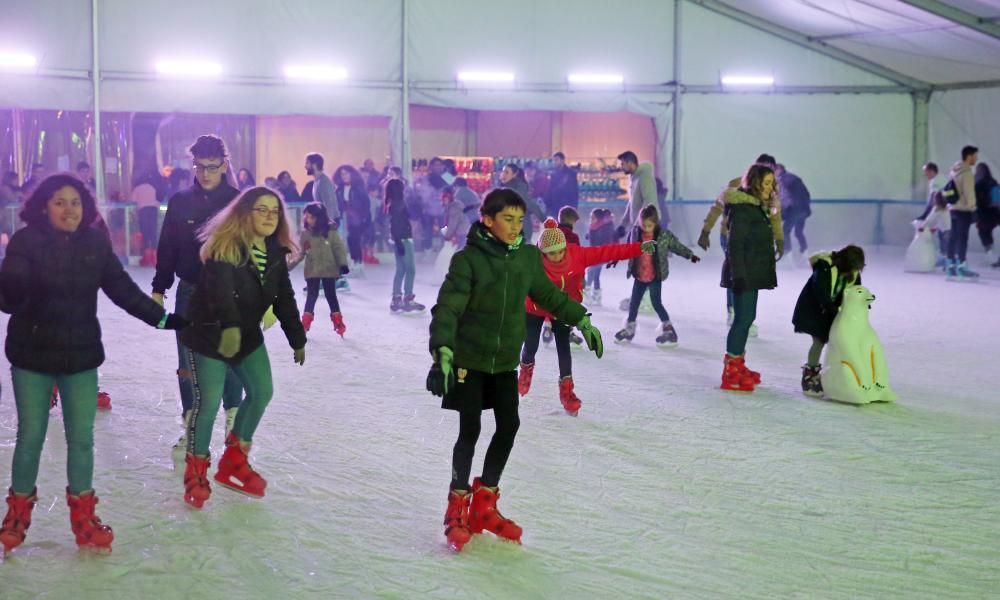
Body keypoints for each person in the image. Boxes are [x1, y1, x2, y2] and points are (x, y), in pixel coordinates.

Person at [0, 174, 186, 554]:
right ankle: (17, 514)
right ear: (43, 207)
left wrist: (163, 319)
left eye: (76, 202)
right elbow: (8, 300)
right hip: (32, 356)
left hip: (80, 356)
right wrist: (11, 281)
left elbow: (122, 290)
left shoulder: (95, 243)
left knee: (81, 441)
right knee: (31, 437)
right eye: (59, 202)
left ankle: (83, 516)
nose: (69, 210)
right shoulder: (26, 241)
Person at [427, 188, 603, 552]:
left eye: (520, 220)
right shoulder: (468, 260)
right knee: (470, 429)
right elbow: (447, 308)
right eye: (507, 219)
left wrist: (581, 319)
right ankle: (457, 506)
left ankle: (485, 505)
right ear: (487, 220)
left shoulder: (526, 258)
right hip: (469, 360)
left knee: (509, 425)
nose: (515, 226)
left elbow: (548, 295)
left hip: (504, 360)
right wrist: (442, 351)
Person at [179, 186, 306, 508]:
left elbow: (283, 296)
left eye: (274, 211)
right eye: (261, 209)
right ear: (245, 213)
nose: (268, 216)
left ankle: (234, 460)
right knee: (208, 405)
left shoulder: (275, 252)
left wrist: (297, 336)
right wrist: (231, 327)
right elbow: (221, 292)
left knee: (262, 391)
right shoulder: (226, 246)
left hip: (245, 336)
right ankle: (195, 471)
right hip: (210, 335)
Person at [153, 135, 245, 456]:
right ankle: (192, 424)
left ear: (224, 164)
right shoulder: (180, 202)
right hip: (189, 292)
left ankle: (233, 422)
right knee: (187, 362)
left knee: (229, 356)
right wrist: (158, 287)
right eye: (199, 167)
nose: (205, 173)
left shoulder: (237, 201)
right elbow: (167, 247)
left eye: (212, 167)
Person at [520, 218, 651, 415]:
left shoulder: (576, 255)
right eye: (551, 253)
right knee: (530, 345)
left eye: (560, 251)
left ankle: (567, 392)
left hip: (564, 309)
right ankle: (525, 371)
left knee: (564, 349)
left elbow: (608, 251)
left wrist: (639, 248)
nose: (556, 256)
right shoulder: (533, 263)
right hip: (535, 308)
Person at [698, 153, 784, 337]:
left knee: (748, 271)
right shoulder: (737, 184)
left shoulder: (772, 190)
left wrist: (779, 239)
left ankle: (744, 314)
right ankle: (734, 311)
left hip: (754, 238)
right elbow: (717, 207)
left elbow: (775, 216)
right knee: (736, 269)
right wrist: (706, 230)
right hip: (729, 235)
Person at [718, 163, 781, 392]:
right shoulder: (743, 209)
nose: (770, 187)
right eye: (766, 183)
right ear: (754, 183)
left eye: (772, 183)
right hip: (743, 273)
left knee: (747, 317)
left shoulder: (756, 207)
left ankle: (739, 364)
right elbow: (735, 245)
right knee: (742, 320)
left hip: (751, 271)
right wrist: (739, 276)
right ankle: (730, 371)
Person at [614, 205, 700, 347]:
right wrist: (617, 257)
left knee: (656, 303)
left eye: (650, 225)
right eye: (644, 225)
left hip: (655, 276)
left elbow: (677, 246)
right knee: (634, 303)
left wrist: (690, 255)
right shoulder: (635, 233)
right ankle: (629, 328)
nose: (646, 228)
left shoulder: (663, 235)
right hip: (639, 275)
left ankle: (668, 329)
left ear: (656, 223)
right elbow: (627, 249)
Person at [791, 245, 866, 397]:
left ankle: (839, 374)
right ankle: (810, 374)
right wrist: (835, 310)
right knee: (819, 341)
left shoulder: (853, 271)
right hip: (814, 310)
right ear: (845, 262)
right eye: (853, 267)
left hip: (832, 310)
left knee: (840, 342)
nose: (855, 271)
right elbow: (821, 291)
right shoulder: (825, 266)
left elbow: (856, 291)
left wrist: (861, 304)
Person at [288, 202, 349, 336]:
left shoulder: (331, 232)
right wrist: (288, 266)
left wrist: (342, 264)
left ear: (319, 218)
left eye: (311, 217)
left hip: (329, 269)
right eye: (307, 216)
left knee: (331, 295)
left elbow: (338, 248)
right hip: (312, 269)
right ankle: (305, 323)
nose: (308, 219)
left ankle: (338, 322)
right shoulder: (305, 234)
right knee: (312, 295)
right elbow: (300, 253)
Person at [385, 179, 424, 313]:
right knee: (410, 269)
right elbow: (396, 225)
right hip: (403, 239)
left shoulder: (392, 203)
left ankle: (396, 299)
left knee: (401, 269)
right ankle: (408, 299)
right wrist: (399, 242)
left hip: (399, 239)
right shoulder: (398, 204)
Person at [945, 146, 979, 280]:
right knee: (963, 238)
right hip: (964, 210)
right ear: (969, 156)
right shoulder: (967, 173)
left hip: (953, 208)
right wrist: (973, 207)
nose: (976, 159)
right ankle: (962, 266)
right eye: (975, 156)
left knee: (953, 237)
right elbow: (969, 193)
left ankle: (950, 265)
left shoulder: (953, 171)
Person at [335, 164, 374, 272]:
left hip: (358, 218)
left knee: (354, 239)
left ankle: (358, 262)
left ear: (351, 174)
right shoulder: (339, 189)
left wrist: (363, 217)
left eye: (346, 173)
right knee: (350, 240)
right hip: (346, 218)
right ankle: (354, 261)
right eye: (342, 174)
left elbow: (366, 204)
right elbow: (339, 204)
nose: (344, 176)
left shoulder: (358, 188)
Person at [775, 164, 811, 263]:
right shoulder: (793, 178)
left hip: (794, 210)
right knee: (798, 232)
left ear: (779, 170)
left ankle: (788, 253)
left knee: (785, 231)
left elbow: (785, 197)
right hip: (802, 209)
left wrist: (781, 211)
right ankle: (804, 251)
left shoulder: (782, 180)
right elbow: (806, 194)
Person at [500, 164, 544, 243]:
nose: (503, 174)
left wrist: (544, 220)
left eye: (506, 172)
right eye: (503, 171)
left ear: (514, 174)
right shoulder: (505, 188)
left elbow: (530, 205)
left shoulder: (519, 188)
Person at [617, 151, 657, 235]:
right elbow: (632, 203)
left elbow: (649, 202)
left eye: (622, 164)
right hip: (639, 227)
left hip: (647, 227)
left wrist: (639, 225)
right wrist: (623, 225)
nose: (621, 167)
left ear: (630, 163)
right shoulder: (633, 178)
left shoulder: (644, 176)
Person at [584, 208, 616, 306]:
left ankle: (586, 292)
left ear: (598, 218)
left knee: (590, 271)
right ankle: (596, 296)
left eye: (593, 217)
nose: (591, 219)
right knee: (596, 274)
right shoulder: (594, 226)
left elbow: (604, 241)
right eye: (590, 217)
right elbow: (592, 239)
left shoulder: (605, 227)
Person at [917, 191, 952, 269]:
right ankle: (947, 264)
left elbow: (930, 220)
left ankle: (946, 264)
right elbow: (941, 220)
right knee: (947, 248)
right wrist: (934, 227)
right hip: (949, 230)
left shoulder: (937, 209)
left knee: (944, 249)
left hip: (944, 232)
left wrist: (922, 227)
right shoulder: (947, 208)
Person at [132, 171, 161, 267]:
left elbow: (133, 202)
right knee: (153, 233)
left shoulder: (137, 188)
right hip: (153, 210)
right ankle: (154, 258)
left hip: (143, 211)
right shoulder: (153, 187)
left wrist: (135, 215)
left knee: (145, 234)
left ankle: (146, 258)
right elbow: (158, 202)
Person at [973, 163, 999, 266]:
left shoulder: (978, 183)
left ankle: (990, 254)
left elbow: (974, 200)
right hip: (995, 213)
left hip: (983, 213)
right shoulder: (993, 182)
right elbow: (997, 200)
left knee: (984, 233)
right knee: (987, 233)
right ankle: (990, 254)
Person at [305, 152, 339, 224]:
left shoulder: (324, 182)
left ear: (314, 165)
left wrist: (329, 223)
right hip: (325, 221)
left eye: (307, 163)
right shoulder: (318, 181)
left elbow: (329, 204)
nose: (305, 166)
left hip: (329, 221)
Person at [543, 152, 578, 218]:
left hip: (566, 206)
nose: (555, 162)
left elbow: (574, 192)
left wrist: (574, 207)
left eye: (556, 160)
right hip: (555, 207)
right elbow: (550, 190)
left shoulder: (570, 174)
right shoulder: (553, 174)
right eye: (554, 160)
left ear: (562, 160)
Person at [442, 185, 470, 250]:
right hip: (462, 231)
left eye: (444, 195)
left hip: (460, 232)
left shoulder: (454, 207)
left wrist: (448, 236)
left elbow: (452, 223)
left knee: (458, 251)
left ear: (448, 195)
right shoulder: (454, 204)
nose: (442, 197)